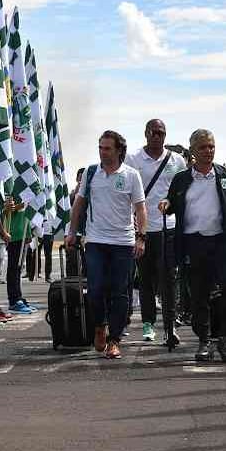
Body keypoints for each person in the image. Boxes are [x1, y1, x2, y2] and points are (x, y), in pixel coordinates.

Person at [159, 129, 226, 363]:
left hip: (222, 242)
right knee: (198, 294)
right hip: (193, 243)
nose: (208, 151)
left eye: (211, 146)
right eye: (202, 147)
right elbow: (172, 203)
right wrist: (166, 203)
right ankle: (204, 340)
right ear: (193, 151)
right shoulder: (181, 179)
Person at [65, 130, 146, 360]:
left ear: (119, 150)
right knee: (96, 289)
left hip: (123, 243)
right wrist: (72, 232)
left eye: (107, 148)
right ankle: (100, 326)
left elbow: (140, 208)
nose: (103, 152)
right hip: (96, 241)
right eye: (100, 147)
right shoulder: (91, 173)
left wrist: (141, 237)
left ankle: (115, 339)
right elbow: (79, 204)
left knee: (120, 293)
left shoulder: (131, 175)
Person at [125, 119, 187, 346]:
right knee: (146, 280)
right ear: (145, 133)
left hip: (168, 228)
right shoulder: (132, 160)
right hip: (142, 230)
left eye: (161, 132)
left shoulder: (176, 160)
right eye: (152, 132)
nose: (156, 136)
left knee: (168, 279)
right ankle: (148, 323)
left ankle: (170, 326)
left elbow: (183, 190)